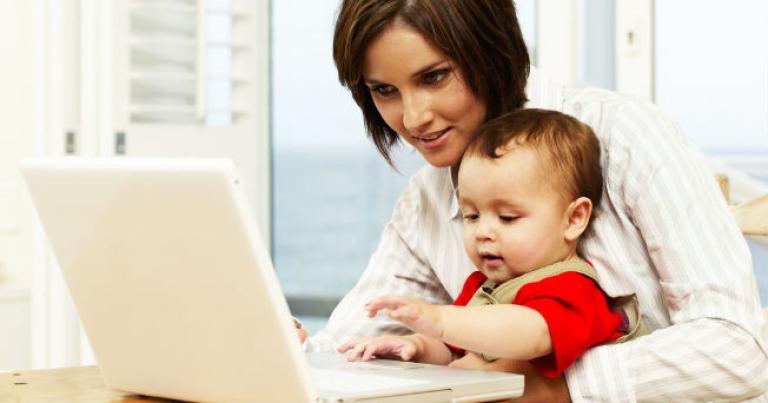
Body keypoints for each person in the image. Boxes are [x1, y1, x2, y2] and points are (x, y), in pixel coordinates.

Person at [307, 1, 768, 401]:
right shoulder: (424, 203)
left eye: (435, 76)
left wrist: (558, 388)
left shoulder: (626, 137)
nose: (412, 118)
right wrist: (293, 349)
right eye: (383, 90)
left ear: (489, 51)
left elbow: (739, 347)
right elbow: (350, 345)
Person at [341, 109, 645, 379]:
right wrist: (416, 345)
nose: (483, 232)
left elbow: (531, 332)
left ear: (573, 219)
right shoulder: (482, 287)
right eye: (470, 216)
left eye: (508, 217)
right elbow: (455, 351)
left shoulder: (573, 289)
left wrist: (440, 318)